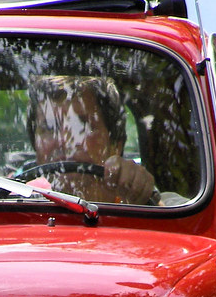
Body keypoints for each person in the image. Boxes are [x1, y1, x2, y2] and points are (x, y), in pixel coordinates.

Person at [25, 75, 160, 205]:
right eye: (49, 128)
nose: (64, 141)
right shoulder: (12, 204)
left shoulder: (171, 208)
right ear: (36, 146)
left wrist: (142, 196)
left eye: (82, 126)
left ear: (115, 144)